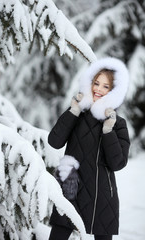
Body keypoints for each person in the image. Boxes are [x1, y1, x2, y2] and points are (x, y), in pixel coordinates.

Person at [48, 57, 130, 240]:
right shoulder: (77, 113)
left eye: (105, 86)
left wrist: (108, 131)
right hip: (71, 186)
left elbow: (118, 163)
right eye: (96, 83)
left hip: (101, 194)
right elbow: (54, 141)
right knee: (58, 235)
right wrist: (73, 112)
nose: (98, 90)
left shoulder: (118, 124)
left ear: (114, 91)